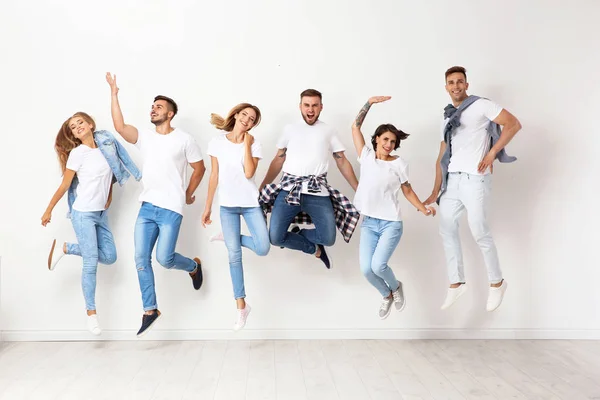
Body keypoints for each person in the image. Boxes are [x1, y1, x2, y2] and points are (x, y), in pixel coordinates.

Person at [106, 73, 206, 336]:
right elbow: (119, 126)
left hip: (172, 207)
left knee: (165, 258)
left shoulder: (185, 139)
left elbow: (199, 167)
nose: (153, 109)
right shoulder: (146, 137)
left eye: (159, 107)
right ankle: (150, 310)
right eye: (152, 106)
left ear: (170, 114)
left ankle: (193, 266)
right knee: (141, 259)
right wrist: (114, 93)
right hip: (147, 206)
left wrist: (188, 192)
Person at [423, 66, 522, 312]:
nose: (455, 86)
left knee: (479, 229)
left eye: (459, 81)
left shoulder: (481, 105)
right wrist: (435, 190)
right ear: (445, 87)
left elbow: (513, 124)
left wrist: (492, 153)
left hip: (476, 178)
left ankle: (497, 282)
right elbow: (442, 155)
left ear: (466, 84)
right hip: (452, 181)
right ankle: (456, 284)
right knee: (446, 229)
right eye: (451, 82)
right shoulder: (446, 116)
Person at [42, 112, 141, 335]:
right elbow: (65, 185)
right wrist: (49, 210)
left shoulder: (106, 145)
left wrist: (110, 195)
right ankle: (91, 314)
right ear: (72, 134)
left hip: (100, 213)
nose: (77, 127)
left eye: (80, 123)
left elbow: (112, 174)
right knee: (90, 263)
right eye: (72, 126)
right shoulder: (78, 154)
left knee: (109, 256)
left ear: (90, 124)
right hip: (83, 213)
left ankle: (65, 248)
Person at [351, 96, 436, 319]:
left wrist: (422, 208)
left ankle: (396, 287)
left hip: (391, 223)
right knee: (366, 270)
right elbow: (355, 126)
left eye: (393, 142)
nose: (389, 145)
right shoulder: (366, 157)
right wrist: (369, 103)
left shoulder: (399, 163)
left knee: (379, 266)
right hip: (369, 223)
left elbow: (407, 190)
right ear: (377, 139)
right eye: (386, 139)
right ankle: (386, 294)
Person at [259, 89, 360, 268]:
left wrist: (359, 190)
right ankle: (315, 250)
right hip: (289, 191)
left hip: (317, 193)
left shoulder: (328, 130)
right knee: (275, 237)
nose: (310, 109)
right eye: (307, 105)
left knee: (328, 238)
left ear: (321, 107)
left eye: (315, 105)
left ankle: (300, 233)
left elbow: (342, 161)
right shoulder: (289, 129)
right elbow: (278, 158)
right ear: (300, 106)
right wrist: (263, 185)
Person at [202, 103, 270, 331]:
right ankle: (241, 306)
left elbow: (249, 173)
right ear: (236, 114)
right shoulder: (217, 142)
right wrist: (208, 207)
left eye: (252, 119)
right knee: (234, 256)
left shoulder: (254, 144)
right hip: (227, 206)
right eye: (244, 115)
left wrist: (248, 145)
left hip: (250, 204)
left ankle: (230, 237)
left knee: (263, 247)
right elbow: (214, 176)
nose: (247, 120)